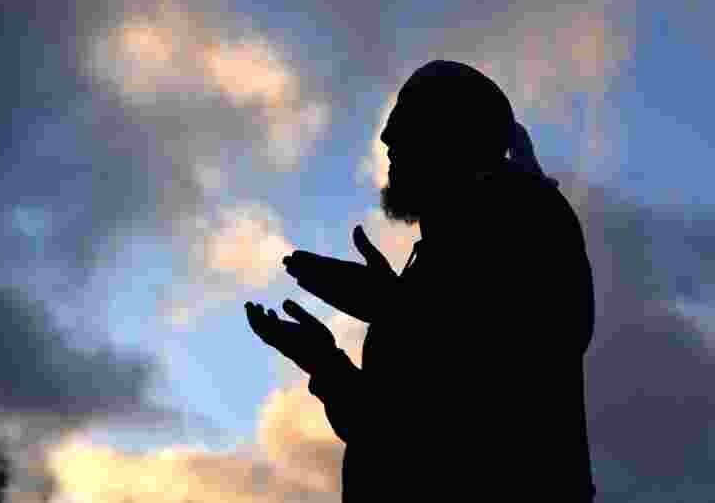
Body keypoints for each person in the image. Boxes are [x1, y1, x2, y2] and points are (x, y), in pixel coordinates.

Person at [246, 60, 595, 500]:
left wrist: (393, 307)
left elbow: (513, 377)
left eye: (406, 124)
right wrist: (325, 363)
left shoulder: (530, 220)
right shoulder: (437, 261)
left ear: (455, 138)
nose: (387, 139)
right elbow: (392, 436)